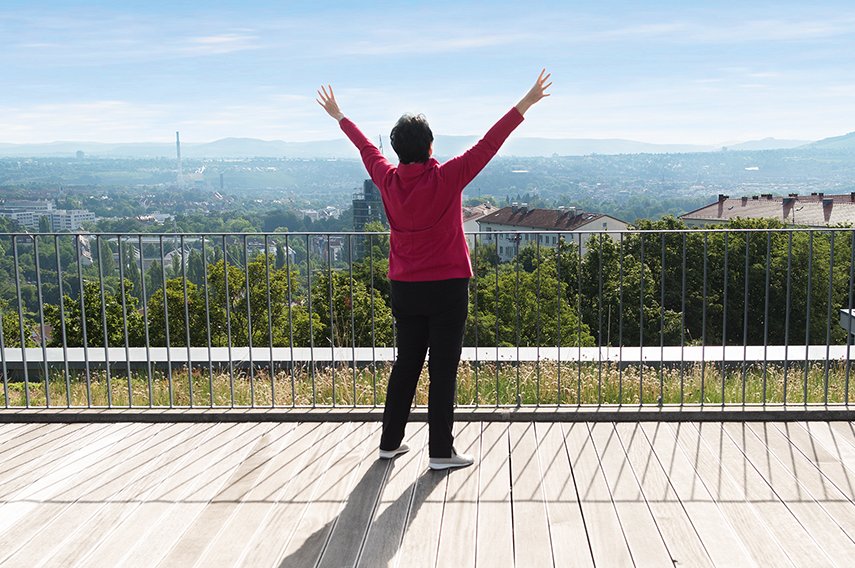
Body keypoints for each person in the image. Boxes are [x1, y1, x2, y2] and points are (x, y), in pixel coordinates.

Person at [317, 70, 552, 470]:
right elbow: (489, 144)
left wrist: (340, 116)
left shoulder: (386, 180)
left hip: (404, 288)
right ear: (429, 146)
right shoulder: (448, 177)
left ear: (396, 150)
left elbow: (362, 148)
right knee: (443, 369)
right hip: (446, 287)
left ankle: (389, 443)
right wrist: (526, 102)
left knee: (406, 363)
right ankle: (440, 451)